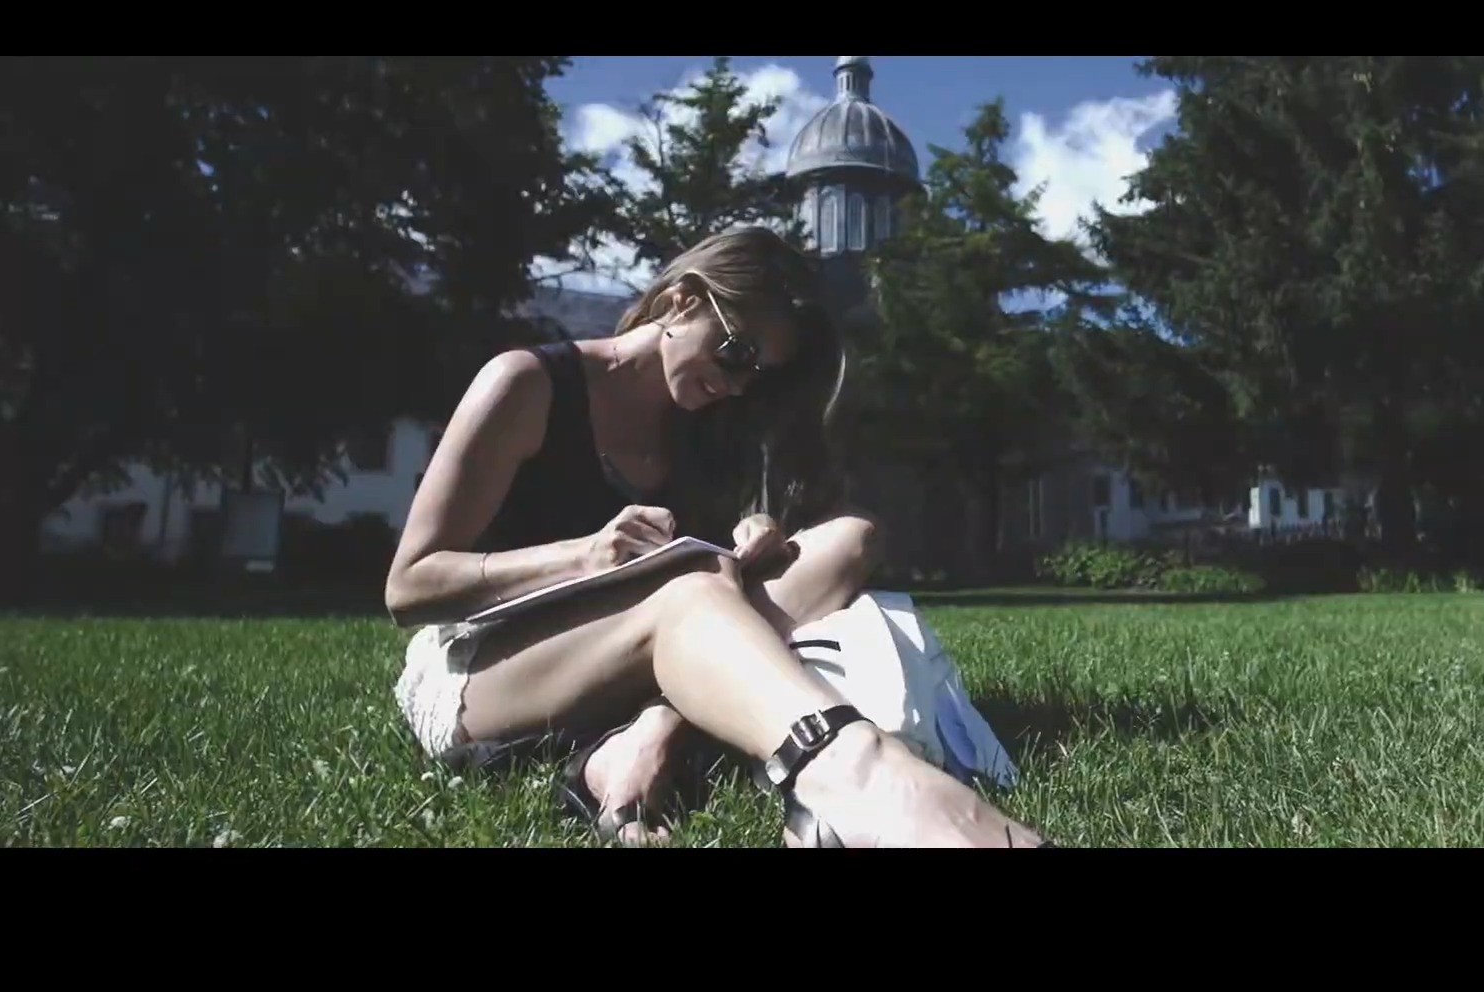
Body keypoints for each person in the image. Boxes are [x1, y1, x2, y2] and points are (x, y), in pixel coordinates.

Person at [386, 226, 1054, 849]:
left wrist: (757, 536)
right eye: (737, 353)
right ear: (682, 300)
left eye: (757, 375)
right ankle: (863, 776)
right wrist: (582, 555)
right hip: (487, 669)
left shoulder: (706, 424)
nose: (735, 385)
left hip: (648, 648)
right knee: (693, 593)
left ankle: (653, 728)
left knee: (848, 538)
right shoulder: (528, 383)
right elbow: (410, 586)